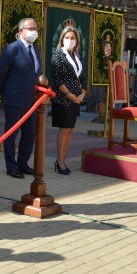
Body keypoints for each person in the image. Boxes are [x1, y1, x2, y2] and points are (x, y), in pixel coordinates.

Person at [0, 18, 42, 179]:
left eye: (35, 28)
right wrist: (7, 92)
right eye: (30, 28)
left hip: (31, 101)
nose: (34, 31)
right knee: (11, 134)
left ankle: (23, 163)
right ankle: (11, 166)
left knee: (29, 134)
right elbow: (0, 74)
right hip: (14, 99)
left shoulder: (36, 49)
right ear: (21, 31)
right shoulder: (12, 49)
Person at [50, 26, 86, 175]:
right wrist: (70, 95)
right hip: (63, 98)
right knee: (64, 129)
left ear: (77, 41)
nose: (69, 40)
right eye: (67, 38)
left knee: (70, 130)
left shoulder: (77, 56)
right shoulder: (58, 55)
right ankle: (60, 161)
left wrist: (82, 93)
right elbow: (57, 79)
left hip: (76, 99)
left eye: (72, 38)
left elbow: (82, 77)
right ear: (62, 39)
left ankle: (63, 159)